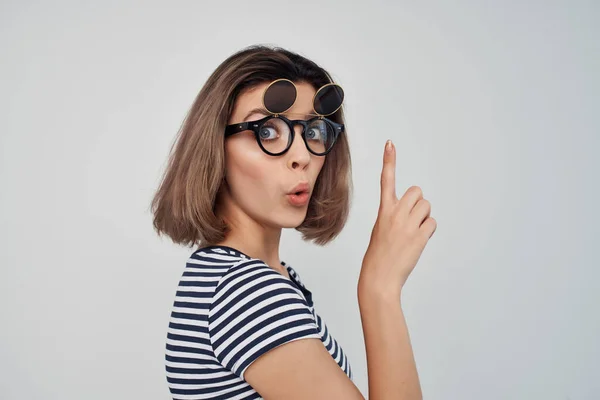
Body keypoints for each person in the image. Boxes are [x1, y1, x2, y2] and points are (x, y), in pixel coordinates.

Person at [151, 44, 436, 400]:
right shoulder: (245, 291)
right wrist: (380, 289)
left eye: (313, 131)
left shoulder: (242, 276)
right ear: (214, 147)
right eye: (268, 130)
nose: (301, 155)